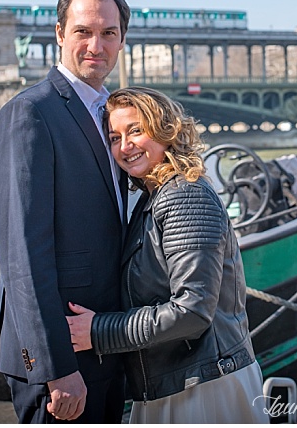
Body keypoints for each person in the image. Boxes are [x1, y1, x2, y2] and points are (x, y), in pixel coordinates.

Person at [66, 87, 269, 423]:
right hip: (179, 381)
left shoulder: (183, 196)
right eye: (115, 137)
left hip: (202, 387)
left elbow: (191, 312)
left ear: (165, 130)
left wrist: (97, 331)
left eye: (135, 131)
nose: (125, 146)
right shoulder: (155, 196)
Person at [0, 0, 130, 423]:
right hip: (62, 357)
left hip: (105, 340)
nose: (96, 45)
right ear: (59, 34)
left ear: (122, 39)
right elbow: (22, 257)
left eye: (109, 33)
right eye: (84, 31)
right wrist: (55, 369)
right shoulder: (30, 113)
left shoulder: (114, 115)